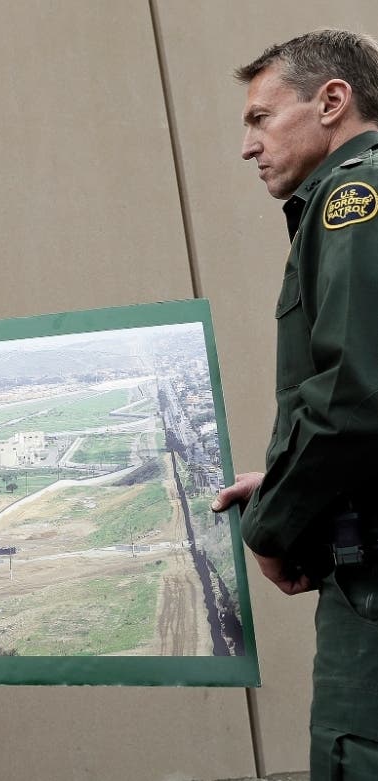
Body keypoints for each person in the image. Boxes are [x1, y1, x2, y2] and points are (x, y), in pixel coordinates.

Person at [211, 29, 378, 778]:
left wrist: (272, 523)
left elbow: (353, 396)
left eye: (259, 117)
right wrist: (279, 480)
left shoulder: (354, 199)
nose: (248, 145)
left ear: (332, 101)